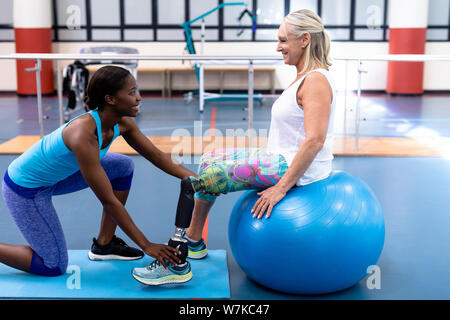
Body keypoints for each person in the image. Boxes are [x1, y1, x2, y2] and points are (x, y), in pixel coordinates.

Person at [152, 8, 336, 263]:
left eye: (283, 40)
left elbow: (315, 140)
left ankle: (178, 244)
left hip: (297, 169)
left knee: (212, 177)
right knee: (209, 159)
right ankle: (194, 239)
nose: (278, 47)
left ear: (305, 39)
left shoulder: (315, 81)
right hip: (280, 157)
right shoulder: (302, 78)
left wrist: (281, 189)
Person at [0, 65, 199, 285]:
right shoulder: (82, 135)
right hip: (26, 189)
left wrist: (197, 180)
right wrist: (146, 245)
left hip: (57, 177)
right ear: (110, 99)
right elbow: (109, 201)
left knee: (122, 166)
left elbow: (158, 156)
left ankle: (105, 244)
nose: (139, 97)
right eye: (132, 92)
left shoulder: (122, 123)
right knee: (53, 266)